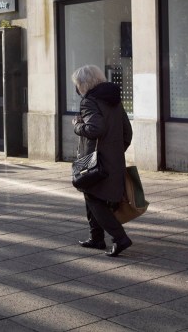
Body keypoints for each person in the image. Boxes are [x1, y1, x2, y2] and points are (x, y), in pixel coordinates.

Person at [71, 64, 133, 257]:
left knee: (93, 197)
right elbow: (127, 133)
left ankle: (120, 238)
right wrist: (115, 151)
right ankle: (96, 238)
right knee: (91, 194)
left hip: (94, 161)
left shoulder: (89, 101)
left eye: (78, 84)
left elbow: (94, 129)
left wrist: (77, 126)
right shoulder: (113, 100)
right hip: (113, 159)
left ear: (83, 83)